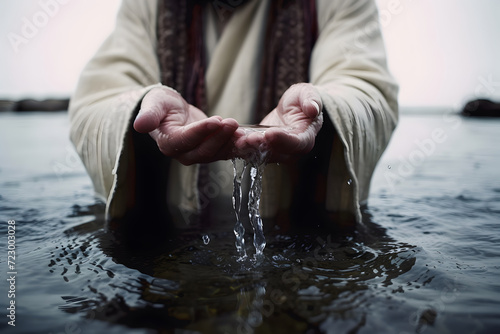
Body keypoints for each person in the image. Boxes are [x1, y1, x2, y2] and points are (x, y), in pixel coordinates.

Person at [69, 0, 398, 241]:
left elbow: (366, 89)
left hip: (299, 239)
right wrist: (145, 108)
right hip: (170, 237)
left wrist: (319, 109)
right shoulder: (147, 6)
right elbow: (98, 99)